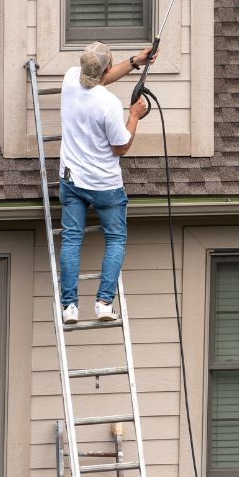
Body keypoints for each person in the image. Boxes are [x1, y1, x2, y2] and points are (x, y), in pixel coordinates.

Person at [57, 41, 154, 325]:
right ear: (107, 69)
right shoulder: (109, 104)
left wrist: (136, 61)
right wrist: (134, 116)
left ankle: (69, 308)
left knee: (72, 239)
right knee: (115, 239)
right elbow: (120, 147)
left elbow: (100, 77)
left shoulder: (71, 78)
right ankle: (103, 303)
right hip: (104, 186)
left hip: (72, 180)